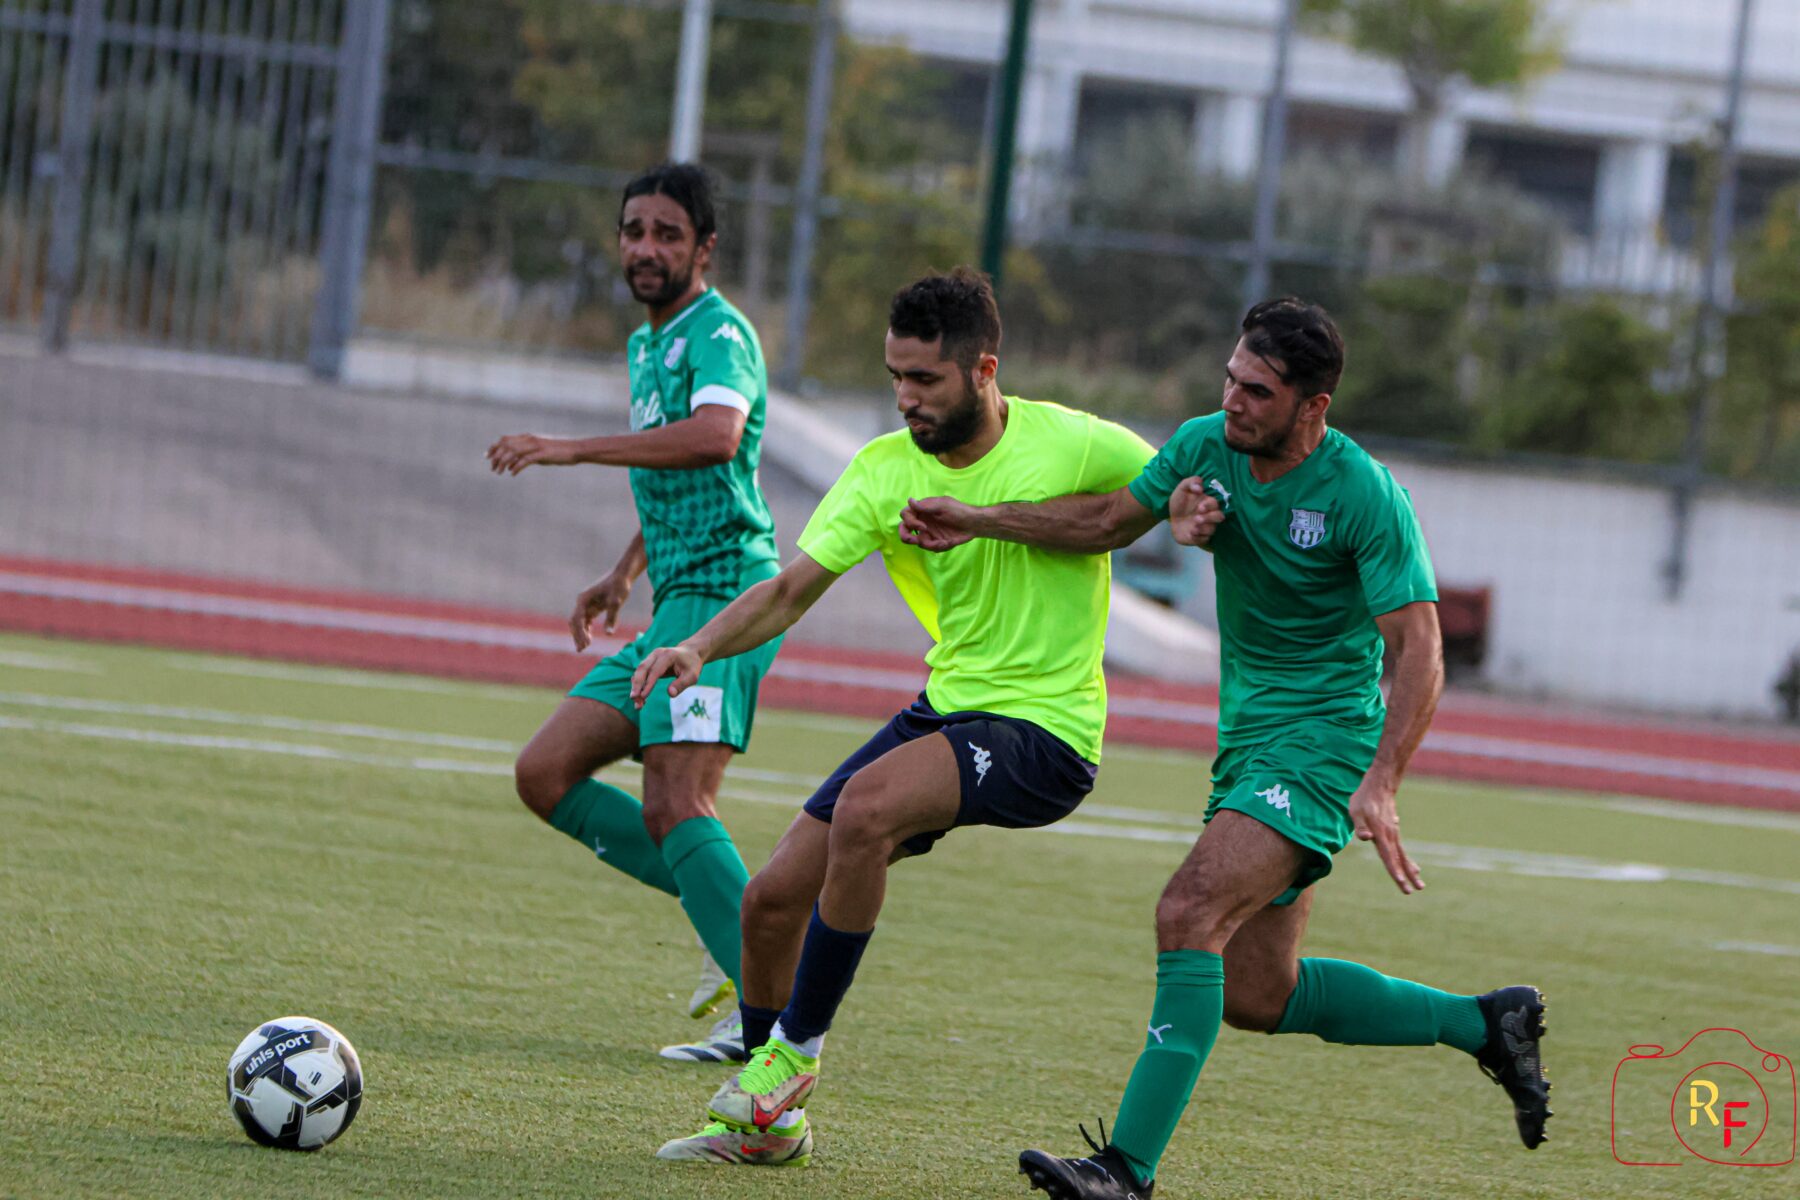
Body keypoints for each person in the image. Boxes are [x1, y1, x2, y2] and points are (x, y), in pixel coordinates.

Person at [899, 298, 1551, 1199]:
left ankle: (1123, 1172)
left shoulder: (1363, 493)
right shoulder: (1208, 446)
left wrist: (1383, 780)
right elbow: (1102, 523)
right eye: (1231, 380)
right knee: (1257, 994)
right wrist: (978, 518)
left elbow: (1420, 645)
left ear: (1313, 407)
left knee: (1188, 910)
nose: (1234, 402)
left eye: (1258, 391)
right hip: (1248, 743)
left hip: (1323, 744)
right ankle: (1487, 1023)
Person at [635, 267, 1155, 1166]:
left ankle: (792, 1059)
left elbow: (1147, 501)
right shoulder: (883, 471)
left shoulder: (1073, 443)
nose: (906, 399)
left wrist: (991, 517)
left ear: (983, 369)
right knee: (769, 903)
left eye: (926, 380)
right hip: (947, 709)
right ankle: (773, 1129)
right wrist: (700, 648)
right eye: (895, 379)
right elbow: (792, 588)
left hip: (1049, 729)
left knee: (867, 812)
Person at [486, 162, 781, 1063]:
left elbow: (716, 437)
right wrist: (622, 573)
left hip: (727, 601)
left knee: (676, 801)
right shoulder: (645, 343)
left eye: (666, 233)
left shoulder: (718, 333)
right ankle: (730, 913)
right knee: (546, 772)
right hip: (668, 606)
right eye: (633, 231)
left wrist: (572, 450)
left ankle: (770, 1025)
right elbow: (674, 468)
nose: (645, 248)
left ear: (704, 248)